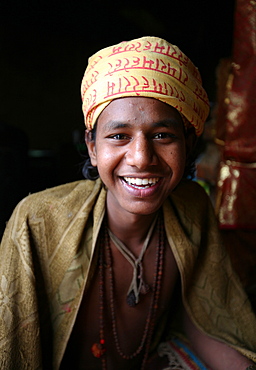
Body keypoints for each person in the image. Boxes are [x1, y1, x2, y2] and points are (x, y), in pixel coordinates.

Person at [0, 36, 256, 370]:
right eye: (119, 136)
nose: (140, 158)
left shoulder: (192, 208)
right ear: (92, 146)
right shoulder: (38, 221)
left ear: (188, 142)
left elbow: (206, 319)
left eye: (162, 135)